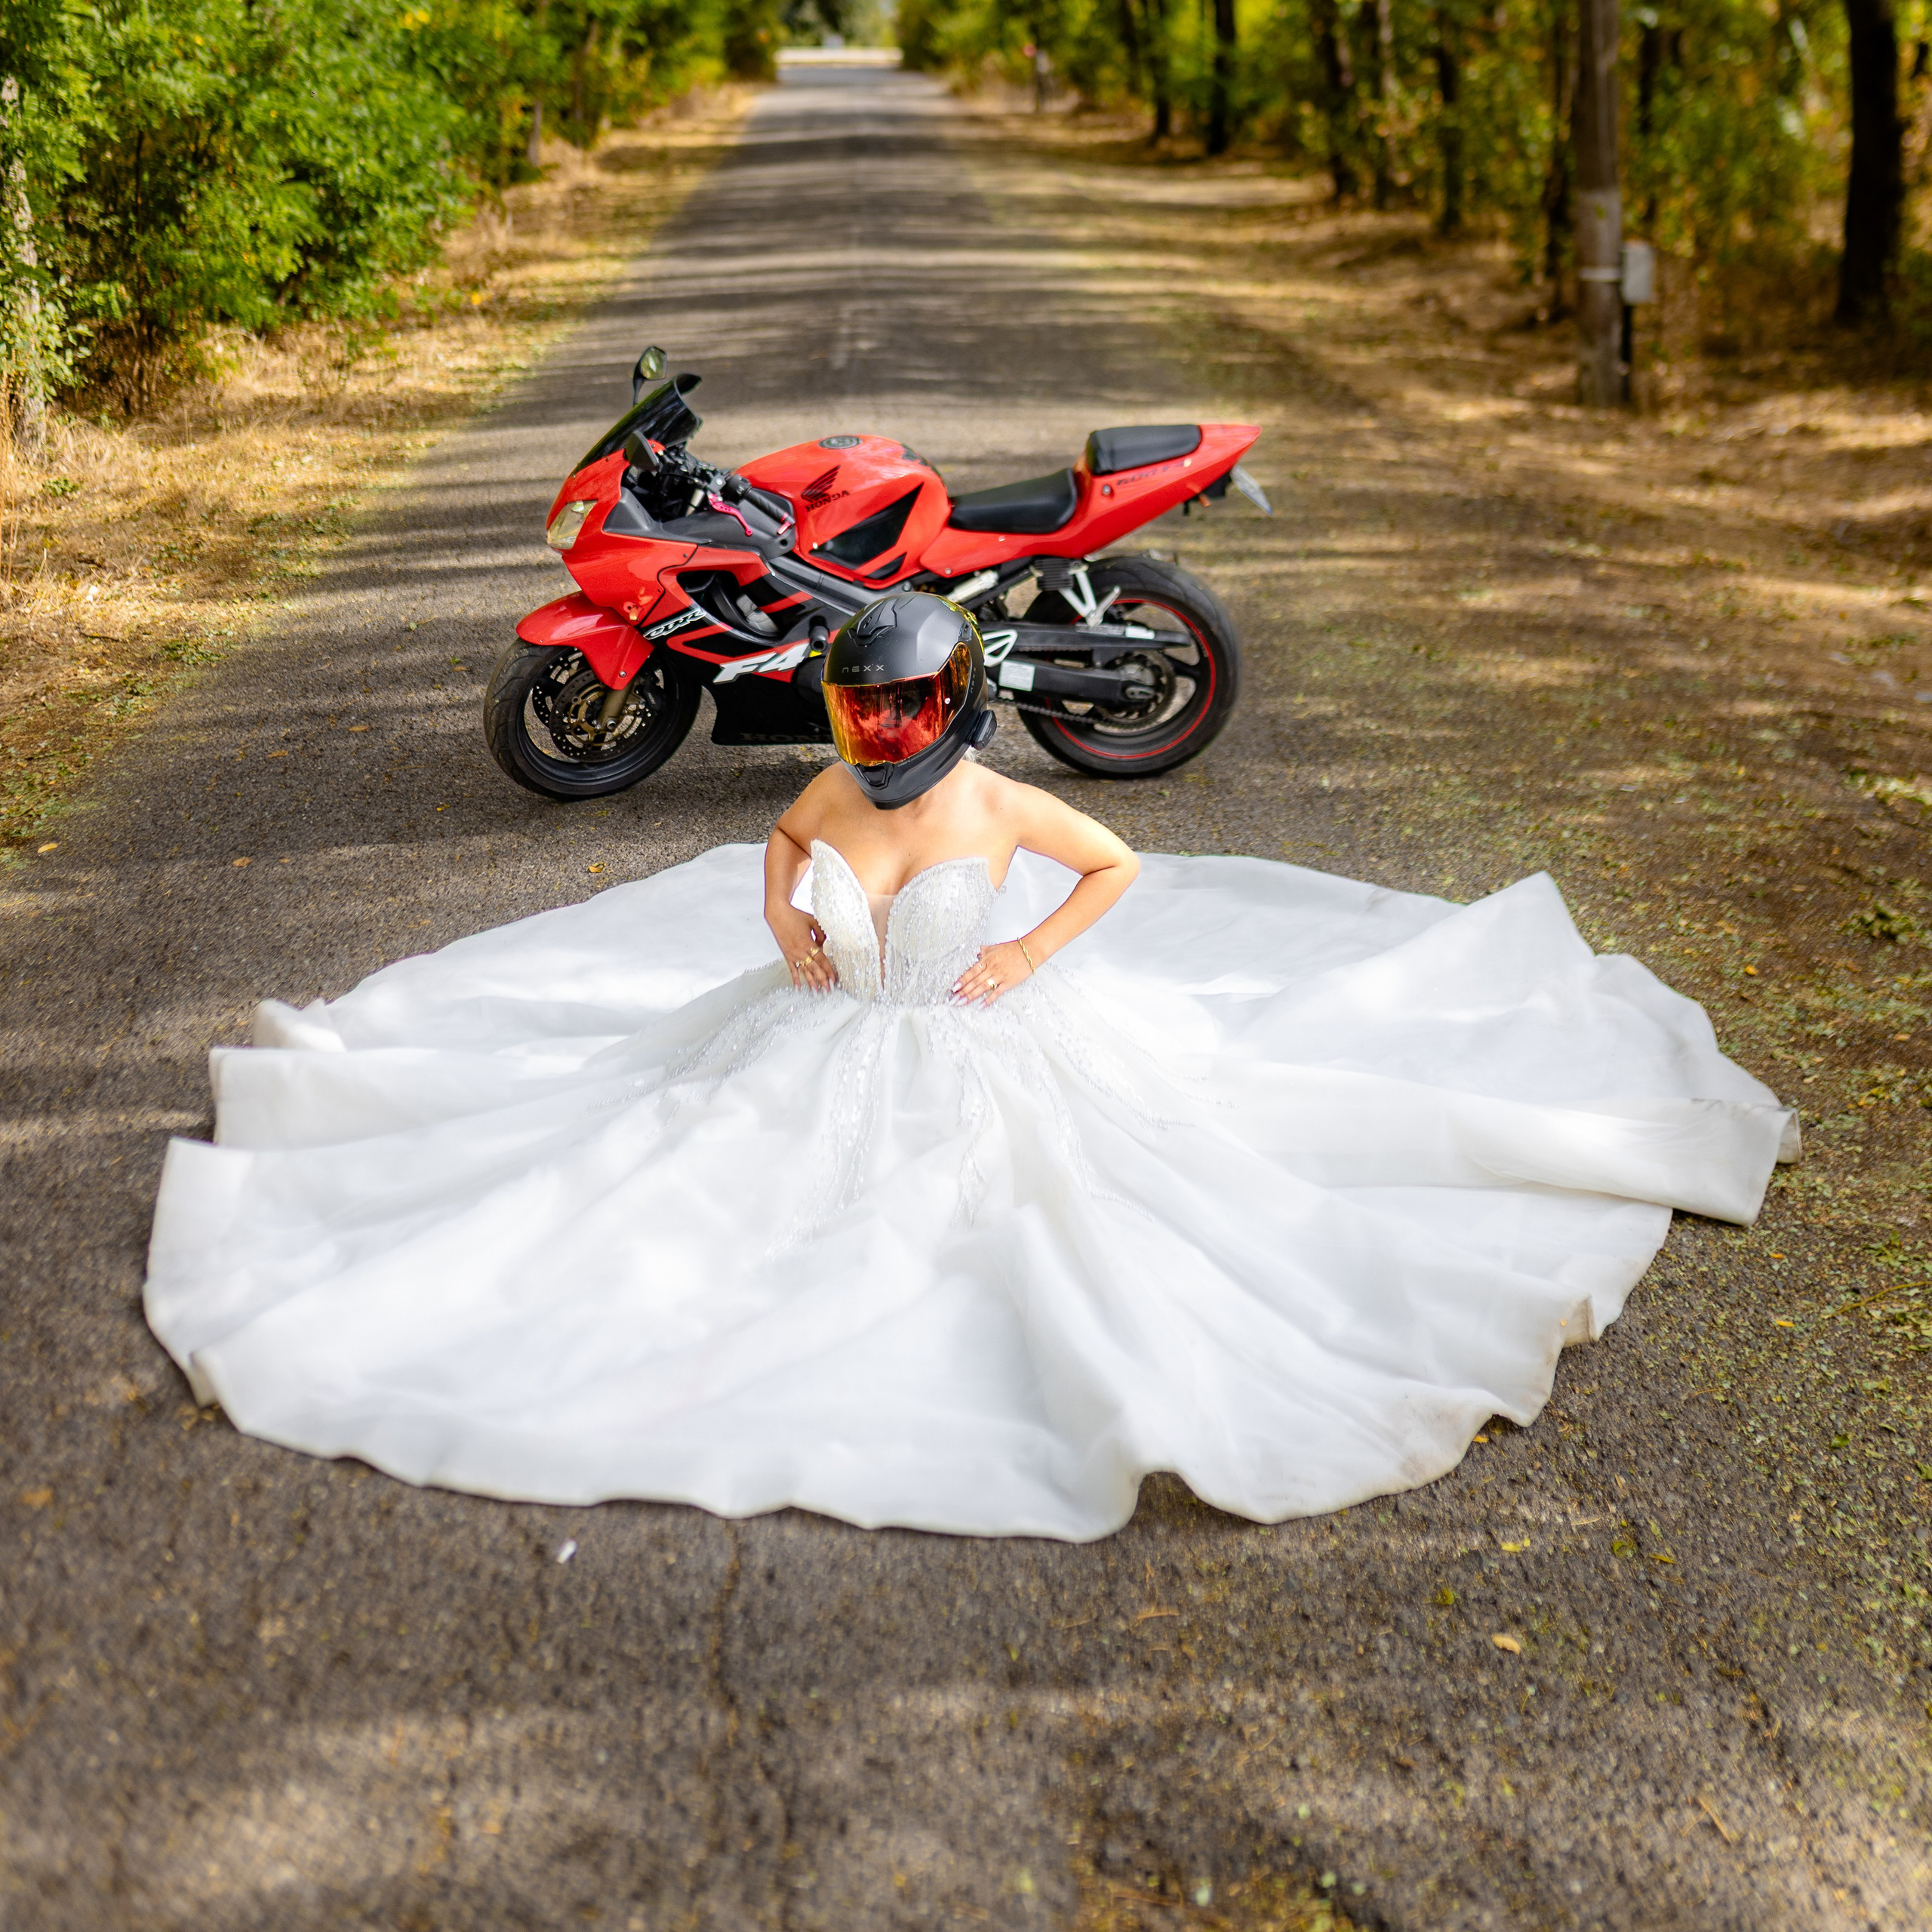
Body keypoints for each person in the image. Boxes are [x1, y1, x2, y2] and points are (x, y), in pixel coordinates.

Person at [144, 593, 1796, 1541]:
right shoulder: (829, 788)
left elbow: (1116, 866)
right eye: (861, 707)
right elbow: (780, 841)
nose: (877, 729)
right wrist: (787, 925)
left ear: (949, 702)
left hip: (987, 1038)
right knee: (630, 1197)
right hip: (812, 1031)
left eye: (900, 703)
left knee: (1070, 1229)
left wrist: (1016, 952)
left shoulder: (997, 803)